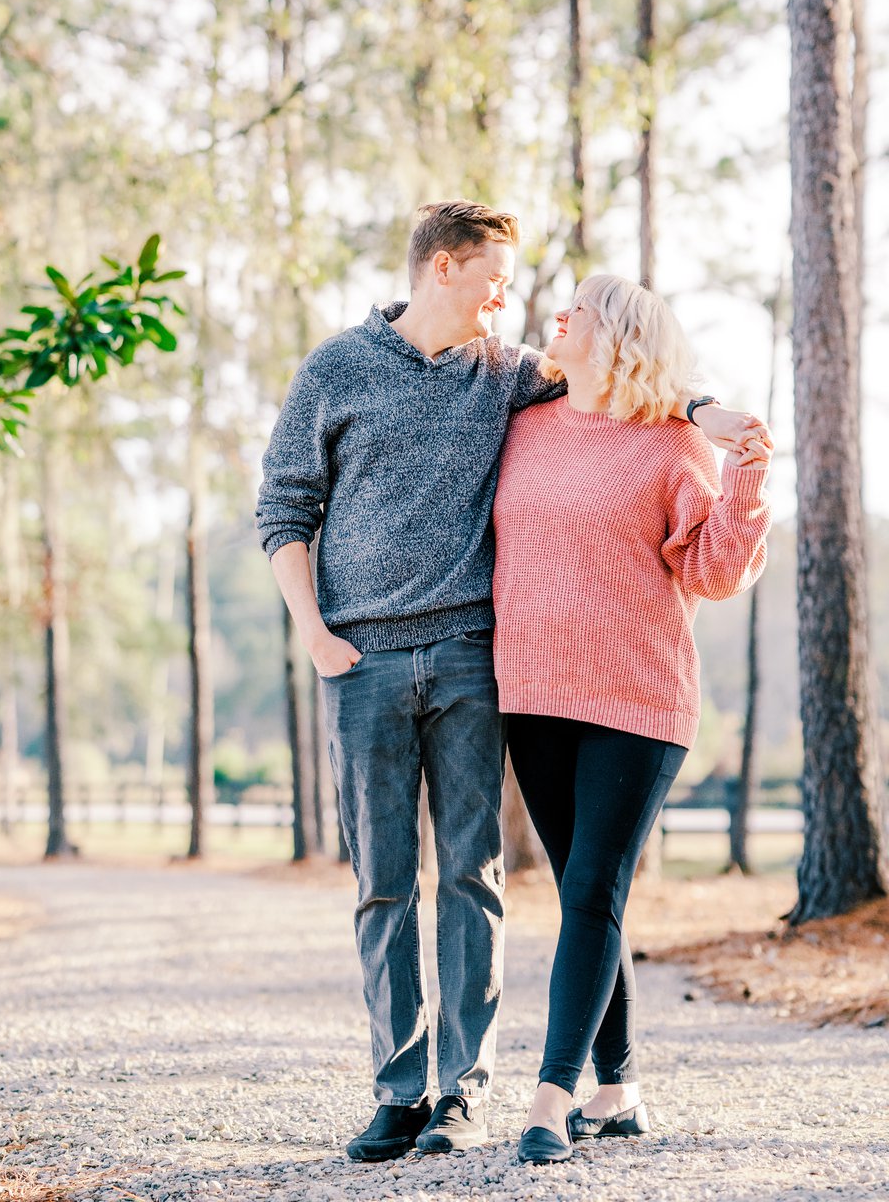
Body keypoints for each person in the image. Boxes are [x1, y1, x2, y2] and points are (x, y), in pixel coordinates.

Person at [255, 204, 766, 1163]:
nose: (514, 299)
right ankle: (409, 1089)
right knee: (387, 885)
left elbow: (637, 369)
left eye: (532, 292)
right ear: (443, 268)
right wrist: (315, 635)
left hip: (481, 661)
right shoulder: (348, 371)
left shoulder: (510, 375)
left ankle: (476, 1097)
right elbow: (283, 502)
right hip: (376, 660)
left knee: (482, 879)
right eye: (496, 277)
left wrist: (707, 415)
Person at [491, 273, 772, 1165]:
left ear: (613, 336)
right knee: (585, 888)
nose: (557, 317)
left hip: (637, 698)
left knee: (588, 890)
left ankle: (549, 1097)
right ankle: (618, 1088)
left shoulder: (670, 449)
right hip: (531, 693)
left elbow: (716, 574)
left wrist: (747, 472)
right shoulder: (521, 422)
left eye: (577, 309)